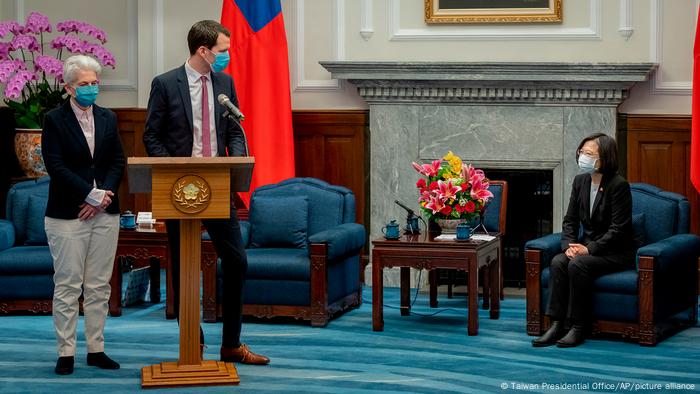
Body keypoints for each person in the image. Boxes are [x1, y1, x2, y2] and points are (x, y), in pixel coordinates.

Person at [143, 20, 268, 365]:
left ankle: (231, 344)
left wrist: (239, 156)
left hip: (217, 186)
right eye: (223, 50)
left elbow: (233, 129)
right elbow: (151, 136)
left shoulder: (224, 82)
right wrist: (175, 172)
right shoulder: (166, 84)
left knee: (238, 261)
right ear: (203, 50)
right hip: (179, 189)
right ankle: (191, 342)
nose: (228, 56)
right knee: (183, 266)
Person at [42, 55, 125, 374]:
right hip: (68, 214)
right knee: (67, 284)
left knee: (99, 286)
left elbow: (117, 161)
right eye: (84, 85)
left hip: (105, 212)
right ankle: (66, 352)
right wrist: (89, 195)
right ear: (68, 87)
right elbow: (56, 165)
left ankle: (96, 348)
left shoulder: (108, 117)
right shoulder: (54, 119)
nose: (91, 89)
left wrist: (103, 196)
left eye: (95, 83)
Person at [532, 133, 636, 348]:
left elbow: (619, 229)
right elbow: (570, 221)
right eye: (582, 152)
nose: (583, 157)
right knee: (559, 261)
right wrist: (568, 247)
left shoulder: (618, 185)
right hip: (586, 247)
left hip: (615, 252)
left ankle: (578, 326)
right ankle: (556, 324)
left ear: (604, 158)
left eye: (589, 154)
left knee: (578, 264)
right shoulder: (580, 181)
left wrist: (589, 249)